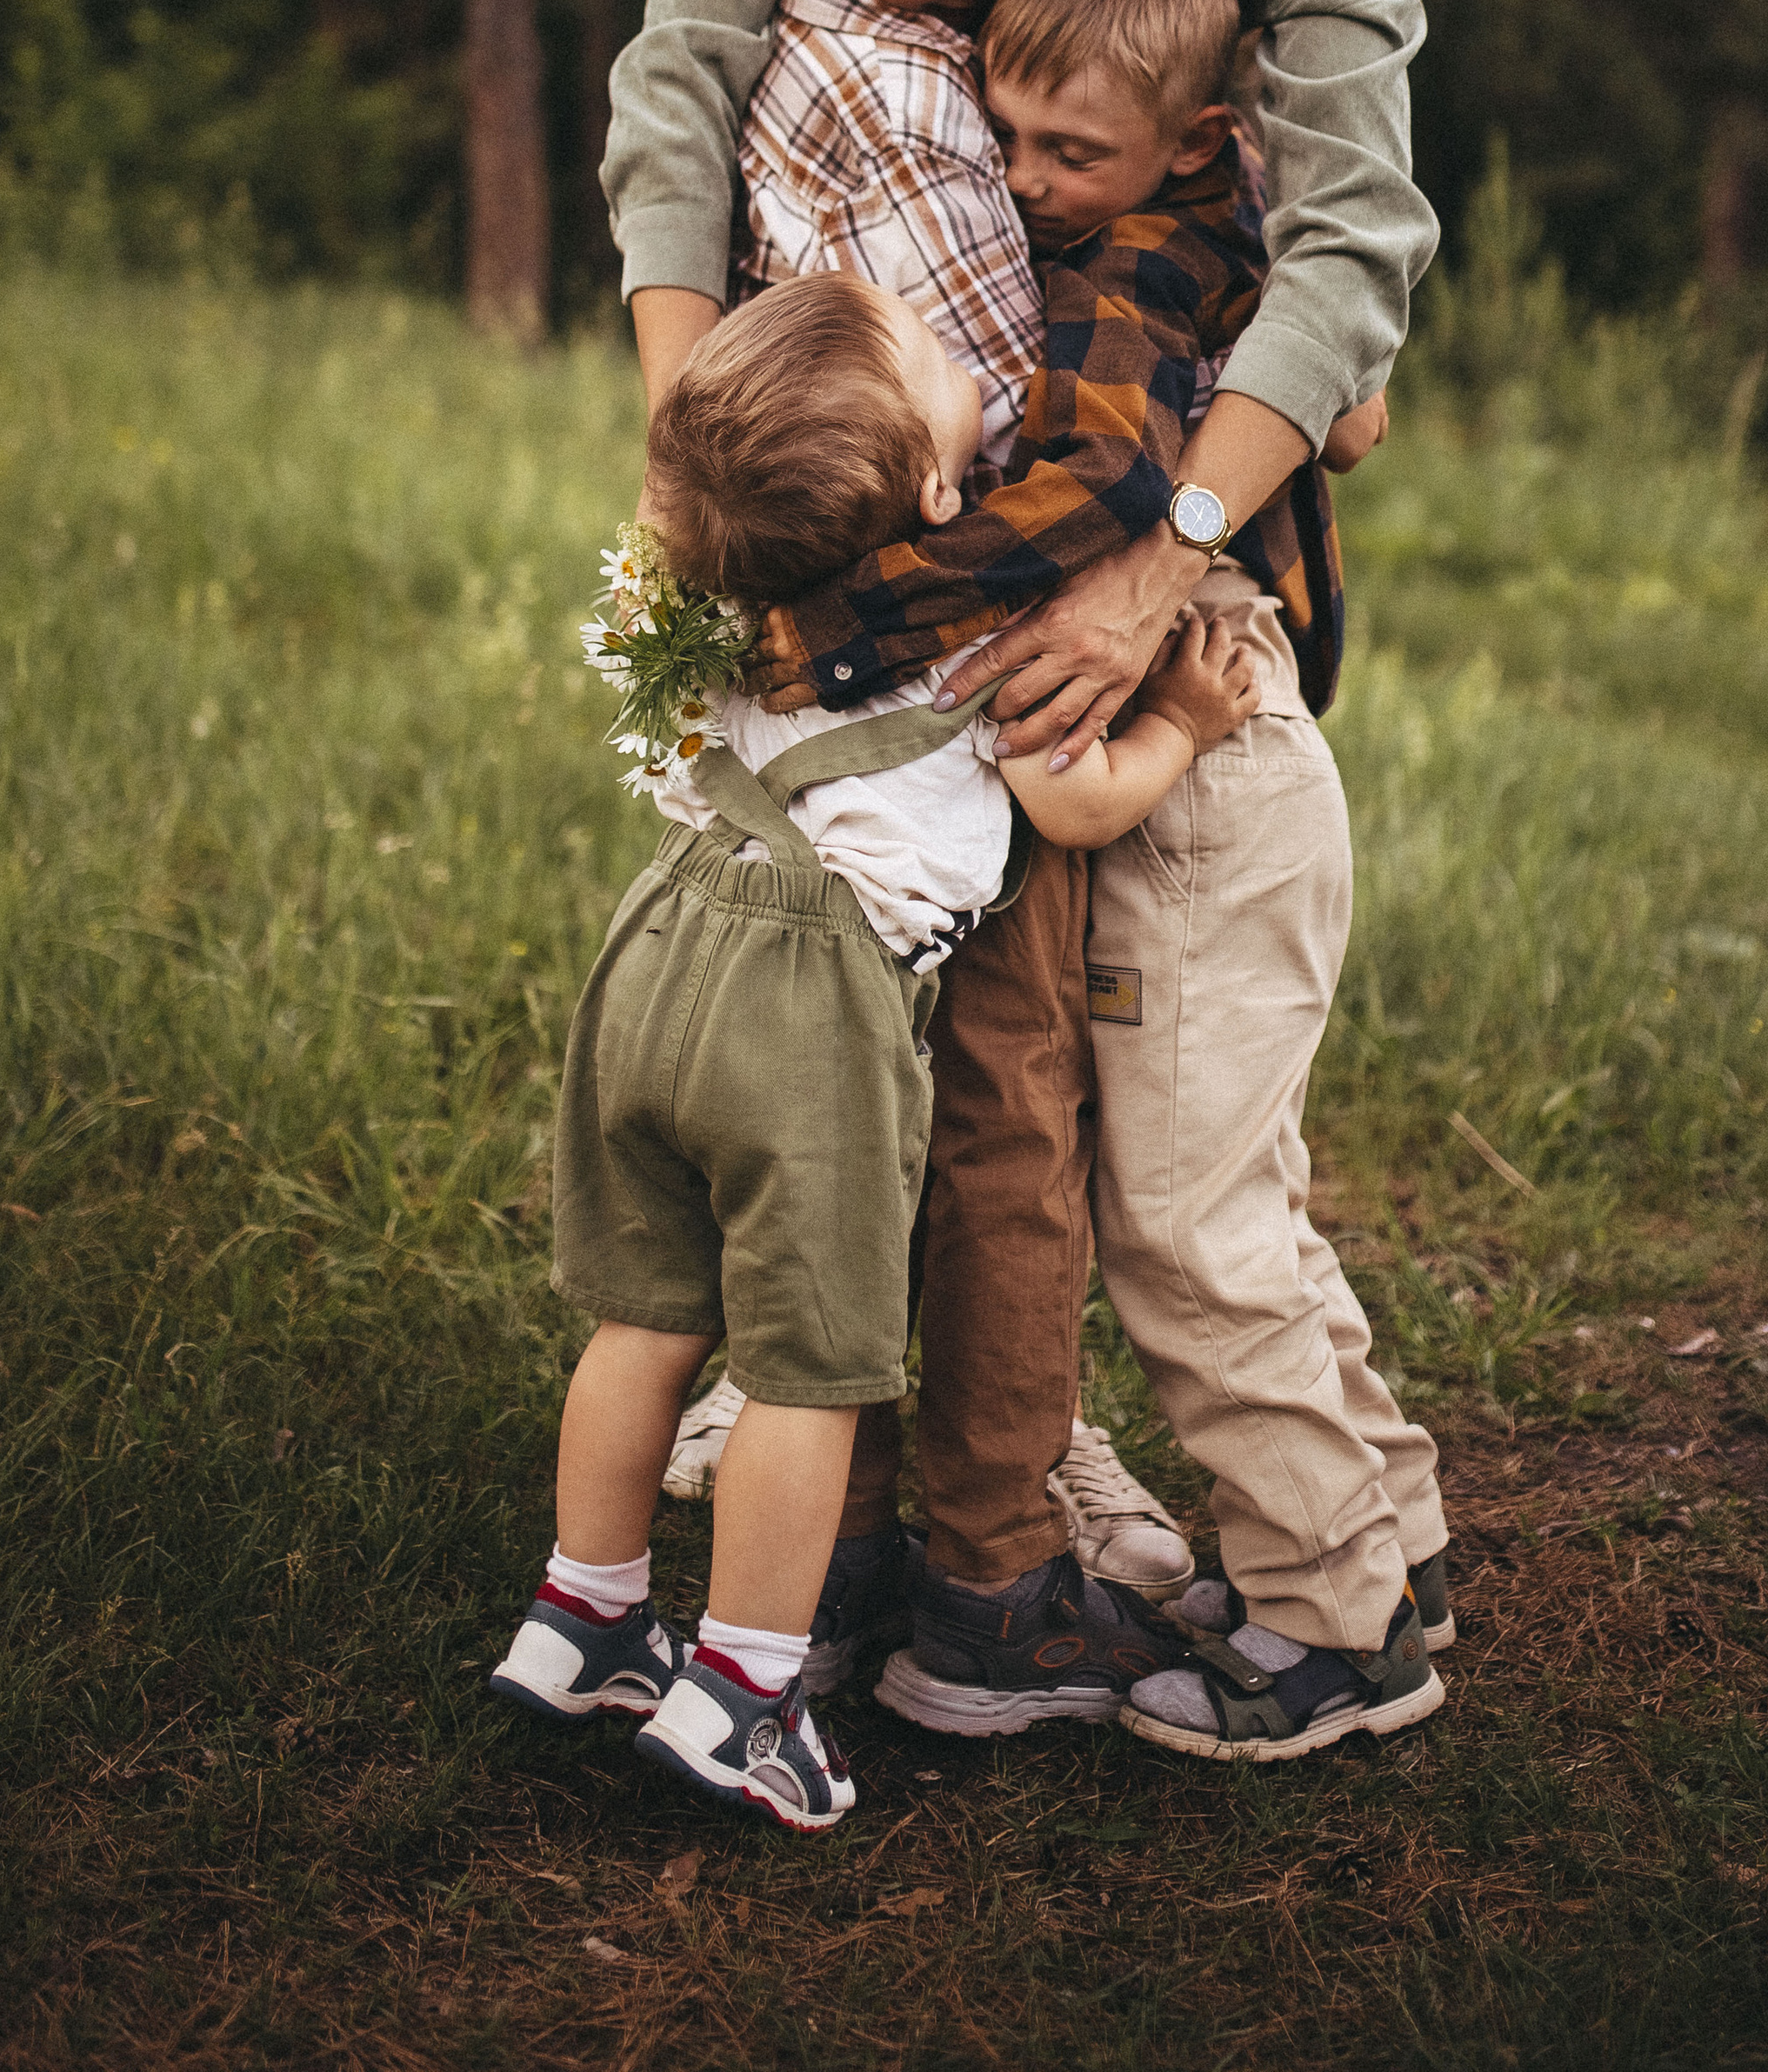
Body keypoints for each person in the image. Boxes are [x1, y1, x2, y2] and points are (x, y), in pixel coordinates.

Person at [604, 0, 1454, 1710]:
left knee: (1116, 1083)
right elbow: (686, 63)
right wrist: (706, 469)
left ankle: (1288, 1559)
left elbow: (1360, 239)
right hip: (847, 526)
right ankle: (977, 1511)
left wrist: (1166, 547)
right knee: (916, 1059)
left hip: (1132, 517)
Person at [489, 271, 1256, 1832]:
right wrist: (1184, 721)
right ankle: (746, 1695)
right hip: (805, 1016)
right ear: (928, 484)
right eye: (928, 358)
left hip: (655, 960)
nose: (950, 346)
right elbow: (1080, 805)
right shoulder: (974, 643)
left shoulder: (727, 600)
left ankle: (583, 1618)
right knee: (811, 1368)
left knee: (647, 1319)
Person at [837, 0, 1450, 1756]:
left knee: (1178, 1224)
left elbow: (1094, 483)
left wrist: (841, 591)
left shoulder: (1112, 284)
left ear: (1186, 140)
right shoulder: (1233, 226)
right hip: (1248, 756)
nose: (1022, 186)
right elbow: (1347, 421)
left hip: (1207, 773)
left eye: (1066, 152)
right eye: (1007, 140)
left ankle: (1337, 1631)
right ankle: (1383, 1535)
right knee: (1229, 1191)